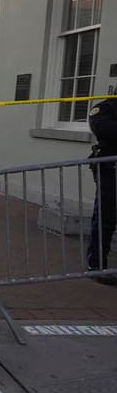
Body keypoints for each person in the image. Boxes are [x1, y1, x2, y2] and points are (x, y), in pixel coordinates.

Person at [87, 93, 117, 286]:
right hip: (111, 171)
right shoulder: (105, 108)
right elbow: (105, 129)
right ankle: (97, 265)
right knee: (105, 218)